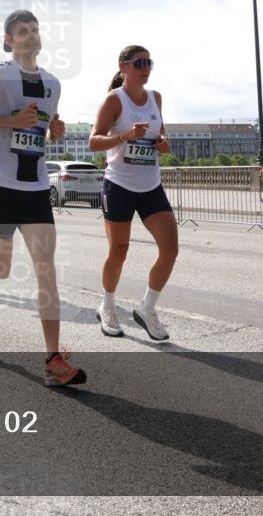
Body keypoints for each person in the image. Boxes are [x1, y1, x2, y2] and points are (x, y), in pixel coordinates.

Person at [0, 9, 85, 387]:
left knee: (46, 267)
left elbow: (43, 128)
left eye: (35, 29)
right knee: (2, 267)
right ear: (8, 40)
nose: (31, 36)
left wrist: (53, 129)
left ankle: (52, 360)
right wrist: (9, 121)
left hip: (36, 188)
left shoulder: (53, 84)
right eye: (22, 31)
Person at [88, 45, 177, 340]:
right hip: (119, 185)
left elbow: (161, 135)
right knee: (119, 251)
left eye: (149, 62)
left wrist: (163, 143)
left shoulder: (155, 98)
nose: (146, 67)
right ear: (123, 66)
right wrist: (123, 136)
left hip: (150, 185)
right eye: (139, 62)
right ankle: (108, 306)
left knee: (170, 248)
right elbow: (93, 141)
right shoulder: (115, 101)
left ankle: (147, 309)